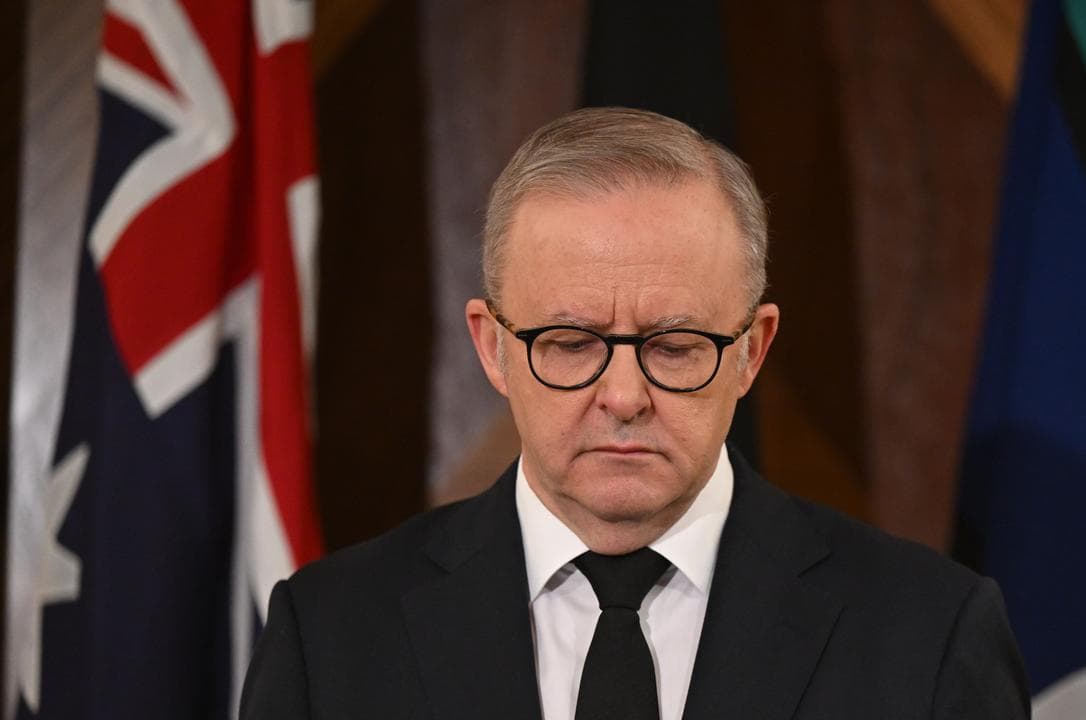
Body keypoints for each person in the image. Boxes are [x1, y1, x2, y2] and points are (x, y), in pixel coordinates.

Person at [240, 107, 1029, 719]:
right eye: (570, 342)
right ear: (493, 348)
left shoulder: (929, 634)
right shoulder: (331, 635)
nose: (623, 396)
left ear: (752, 350)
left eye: (676, 346)